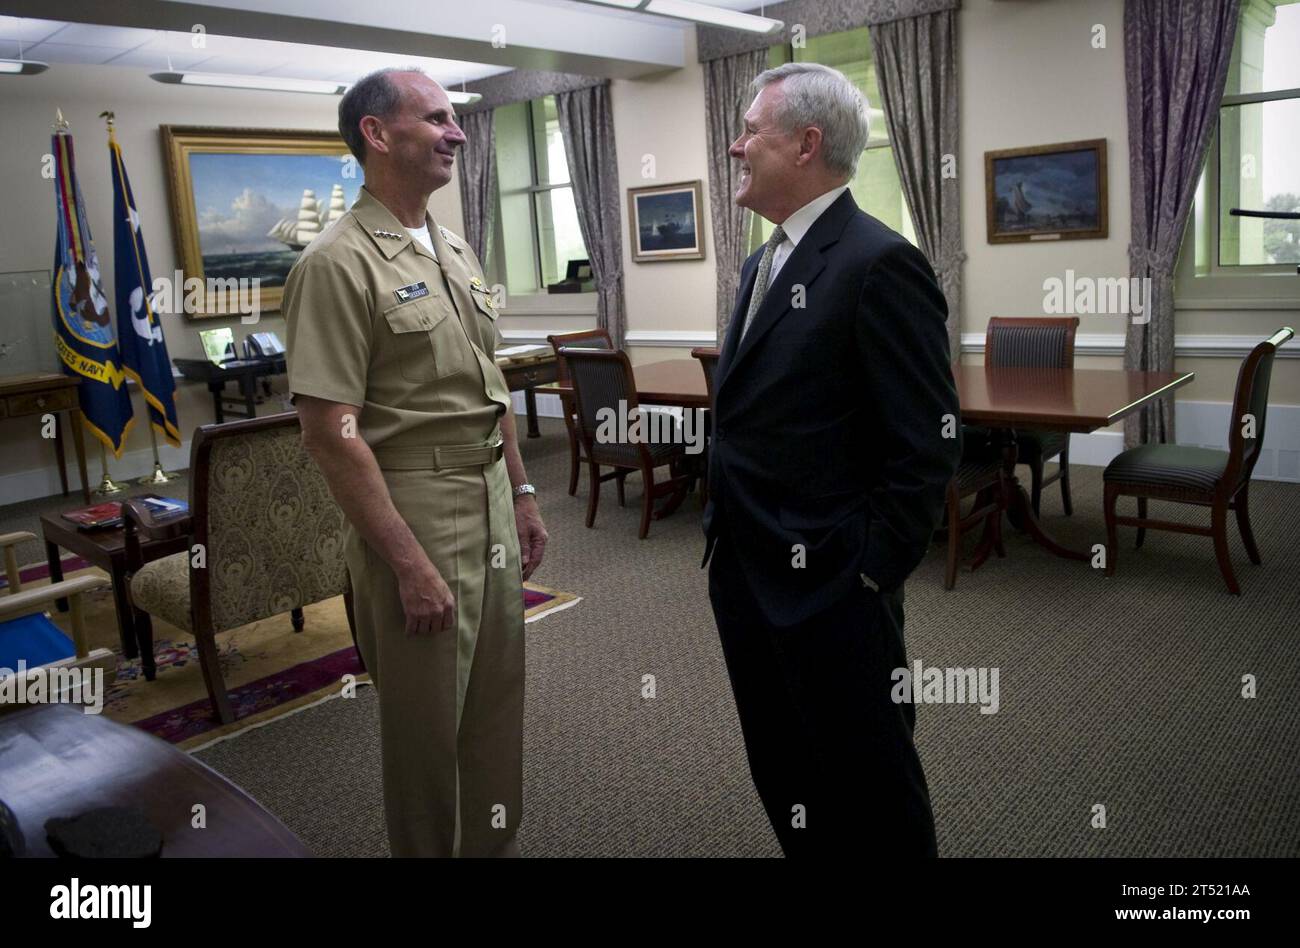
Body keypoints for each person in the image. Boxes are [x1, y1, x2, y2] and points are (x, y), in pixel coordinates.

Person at [282, 67, 547, 857]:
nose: (456, 132)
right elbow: (333, 435)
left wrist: (525, 493)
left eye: (453, 119)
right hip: (416, 508)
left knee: (495, 702)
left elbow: (488, 383)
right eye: (435, 119)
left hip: (490, 488)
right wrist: (404, 560)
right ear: (376, 133)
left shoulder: (454, 247)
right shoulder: (334, 263)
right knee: (427, 726)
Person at [702, 62, 962, 857]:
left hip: (834, 588)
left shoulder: (879, 262)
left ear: (807, 144)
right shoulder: (760, 261)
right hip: (746, 572)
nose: (736, 146)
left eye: (751, 131)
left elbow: (927, 443)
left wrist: (871, 570)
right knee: (784, 766)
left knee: (871, 779)